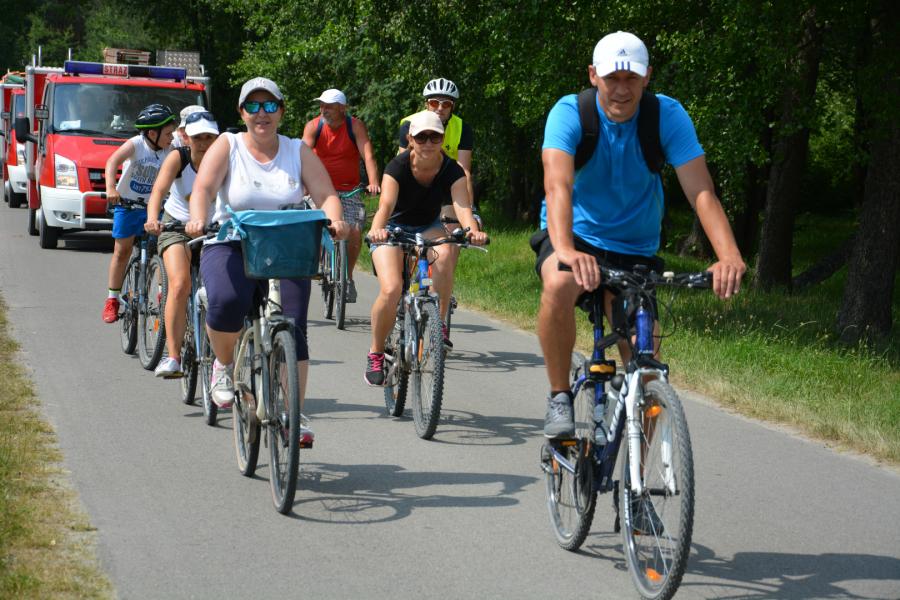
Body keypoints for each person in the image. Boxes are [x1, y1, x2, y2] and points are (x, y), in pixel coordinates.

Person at [537, 31, 746, 438]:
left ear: (647, 76)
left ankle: (640, 476)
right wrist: (564, 249)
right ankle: (559, 394)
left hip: (635, 248)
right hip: (575, 235)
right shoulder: (570, 112)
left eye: (631, 78)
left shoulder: (666, 115)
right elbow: (557, 184)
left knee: (647, 372)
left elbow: (700, 191)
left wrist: (729, 255)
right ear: (593, 75)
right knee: (559, 282)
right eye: (612, 78)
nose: (621, 89)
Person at [185, 77, 349, 408]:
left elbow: (326, 193)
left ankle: (292, 416)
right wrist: (198, 218)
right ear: (242, 112)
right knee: (226, 302)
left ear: (281, 111)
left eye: (270, 105)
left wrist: (335, 221)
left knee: (294, 327)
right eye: (253, 106)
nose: (262, 113)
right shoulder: (228, 145)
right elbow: (203, 188)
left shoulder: (296, 150)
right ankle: (223, 364)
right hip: (233, 240)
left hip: (287, 247)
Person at [365, 111, 487, 386]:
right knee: (391, 288)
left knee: (445, 256)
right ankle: (376, 353)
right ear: (410, 139)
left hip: (427, 225)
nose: (428, 143)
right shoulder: (396, 167)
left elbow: (462, 206)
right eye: (422, 137)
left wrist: (472, 231)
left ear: (443, 139)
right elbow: (385, 206)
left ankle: (438, 323)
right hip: (394, 226)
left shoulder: (452, 170)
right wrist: (377, 230)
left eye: (435, 137)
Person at [398, 78, 476, 347]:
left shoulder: (462, 128)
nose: (440, 108)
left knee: (451, 245)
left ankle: (440, 317)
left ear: (453, 106)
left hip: (447, 188)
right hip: (414, 187)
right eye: (434, 102)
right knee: (405, 246)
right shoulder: (409, 124)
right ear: (426, 104)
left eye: (446, 104)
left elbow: (464, 172)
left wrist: (469, 214)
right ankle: (404, 290)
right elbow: (402, 166)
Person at [145, 111, 220, 377]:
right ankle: (174, 357)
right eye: (198, 137)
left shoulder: (226, 159)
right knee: (179, 284)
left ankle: (221, 356)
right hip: (176, 227)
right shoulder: (179, 158)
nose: (204, 143)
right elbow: (158, 190)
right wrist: (152, 218)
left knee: (222, 290)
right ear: (187, 137)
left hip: (213, 229)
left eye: (209, 137)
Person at [301, 88, 381, 303]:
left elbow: (368, 155)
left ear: (342, 108)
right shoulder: (313, 127)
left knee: (354, 231)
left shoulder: (355, 126)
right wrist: (303, 184)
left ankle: (347, 277)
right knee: (317, 227)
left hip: (349, 189)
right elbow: (302, 156)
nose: (323, 110)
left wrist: (373, 182)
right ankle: (320, 262)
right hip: (319, 188)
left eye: (329, 106)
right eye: (322, 105)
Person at [102, 104, 177, 324]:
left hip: (157, 207)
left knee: (163, 250)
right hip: (128, 204)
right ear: (152, 134)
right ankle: (112, 299)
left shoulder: (171, 150)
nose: (171, 137)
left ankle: (163, 295)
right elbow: (112, 161)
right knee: (122, 250)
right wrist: (111, 188)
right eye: (168, 133)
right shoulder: (136, 144)